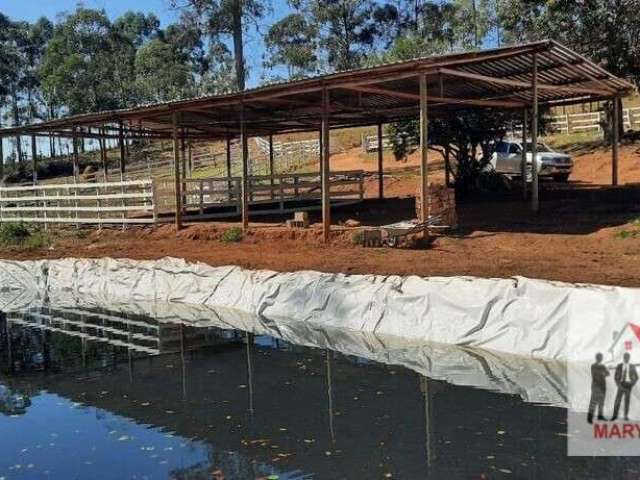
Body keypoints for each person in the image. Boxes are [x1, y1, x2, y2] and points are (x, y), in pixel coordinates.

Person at [611, 352, 638, 421]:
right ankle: (615, 416)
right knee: (617, 400)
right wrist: (618, 385)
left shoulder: (632, 366)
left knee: (627, 401)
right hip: (621, 385)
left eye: (627, 357)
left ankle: (625, 416)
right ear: (623, 358)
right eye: (625, 357)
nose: (626, 358)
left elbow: (637, 377)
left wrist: (632, 384)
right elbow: (615, 377)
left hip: (628, 385)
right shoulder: (619, 366)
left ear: (629, 358)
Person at [587, 352, 609, 423]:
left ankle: (600, 416)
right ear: (597, 358)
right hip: (596, 386)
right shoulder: (593, 366)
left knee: (601, 402)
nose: (600, 359)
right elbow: (595, 374)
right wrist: (602, 372)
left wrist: (604, 372)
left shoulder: (603, 366)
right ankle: (590, 417)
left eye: (601, 357)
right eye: (599, 357)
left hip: (602, 386)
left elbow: (608, 374)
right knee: (593, 402)